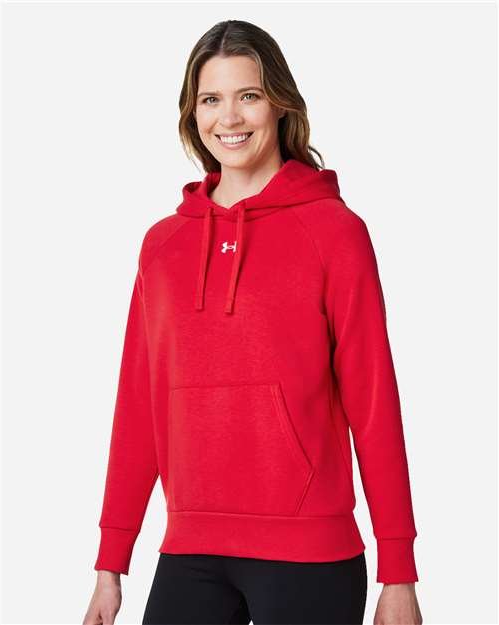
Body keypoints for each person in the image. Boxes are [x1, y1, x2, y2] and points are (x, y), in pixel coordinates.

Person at [83, 19, 423, 625]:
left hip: (310, 554)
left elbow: (374, 403)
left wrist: (398, 570)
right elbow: (138, 404)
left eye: (249, 95)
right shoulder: (163, 245)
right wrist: (111, 562)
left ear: (280, 104)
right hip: (190, 547)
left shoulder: (335, 233)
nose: (230, 118)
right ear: (193, 113)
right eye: (211, 99)